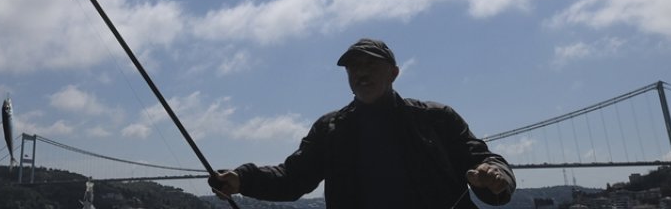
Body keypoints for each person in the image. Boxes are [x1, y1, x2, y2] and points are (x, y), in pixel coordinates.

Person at [209, 38, 515, 208]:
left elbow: (486, 162)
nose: (361, 73)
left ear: (393, 74)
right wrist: (242, 180)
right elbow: (292, 178)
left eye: (370, 65)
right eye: (354, 67)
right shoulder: (330, 129)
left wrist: (496, 176)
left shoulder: (437, 118)